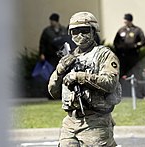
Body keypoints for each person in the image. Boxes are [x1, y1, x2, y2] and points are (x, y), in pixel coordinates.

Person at [48, 12, 122, 146]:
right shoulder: (68, 58)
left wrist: (80, 77)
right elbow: (53, 91)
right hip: (70, 122)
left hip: (96, 122)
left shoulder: (104, 55)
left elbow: (110, 83)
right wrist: (60, 70)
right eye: (75, 31)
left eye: (84, 30)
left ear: (93, 31)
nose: (80, 35)